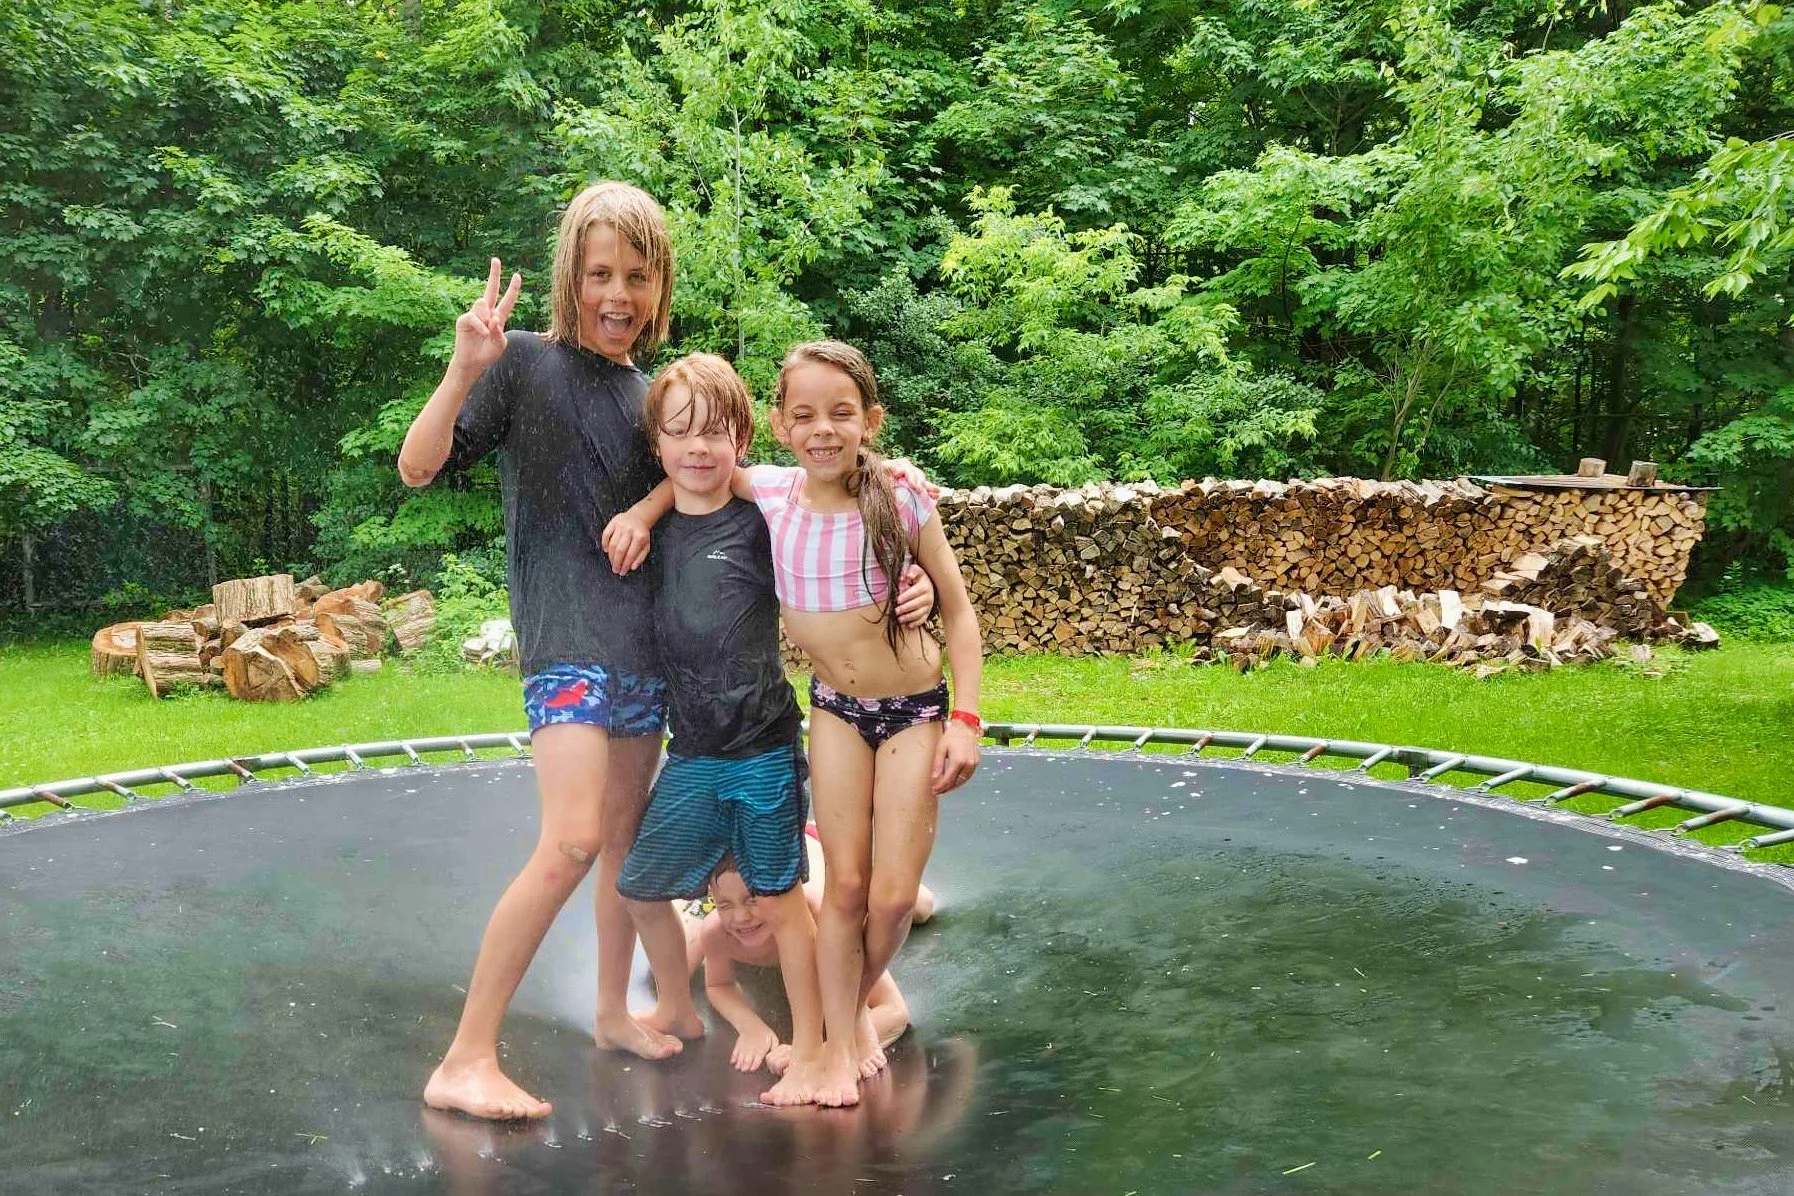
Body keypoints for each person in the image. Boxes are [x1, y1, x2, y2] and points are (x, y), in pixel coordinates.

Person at [605, 339, 984, 1108]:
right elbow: (695, 474)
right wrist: (642, 510)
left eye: (842, 413)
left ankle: (851, 1014)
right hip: (835, 711)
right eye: (804, 415)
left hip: (912, 710)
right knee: (843, 887)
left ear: (871, 420)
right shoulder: (773, 493)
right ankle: (832, 1049)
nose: (822, 429)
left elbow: (959, 610)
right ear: (779, 426)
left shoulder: (902, 499)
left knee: (888, 898)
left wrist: (967, 719)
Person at [400, 181, 685, 1122]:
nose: (618, 294)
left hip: (641, 651)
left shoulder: (652, 399)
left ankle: (610, 1010)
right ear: (571, 276)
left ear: (659, 285)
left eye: (636, 276)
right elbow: (418, 466)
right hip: (565, 640)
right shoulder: (521, 364)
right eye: (600, 273)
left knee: (622, 847)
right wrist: (461, 371)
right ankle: (464, 1058)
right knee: (570, 840)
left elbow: (717, 483)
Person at [685, 829, 933, 1077]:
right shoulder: (718, 932)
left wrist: (820, 1052)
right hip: (772, 852)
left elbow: (894, 1011)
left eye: (753, 900)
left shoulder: (821, 918)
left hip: (819, 855)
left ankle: (847, 854)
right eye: (724, 904)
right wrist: (751, 1027)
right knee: (688, 944)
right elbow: (718, 985)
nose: (740, 917)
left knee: (916, 905)